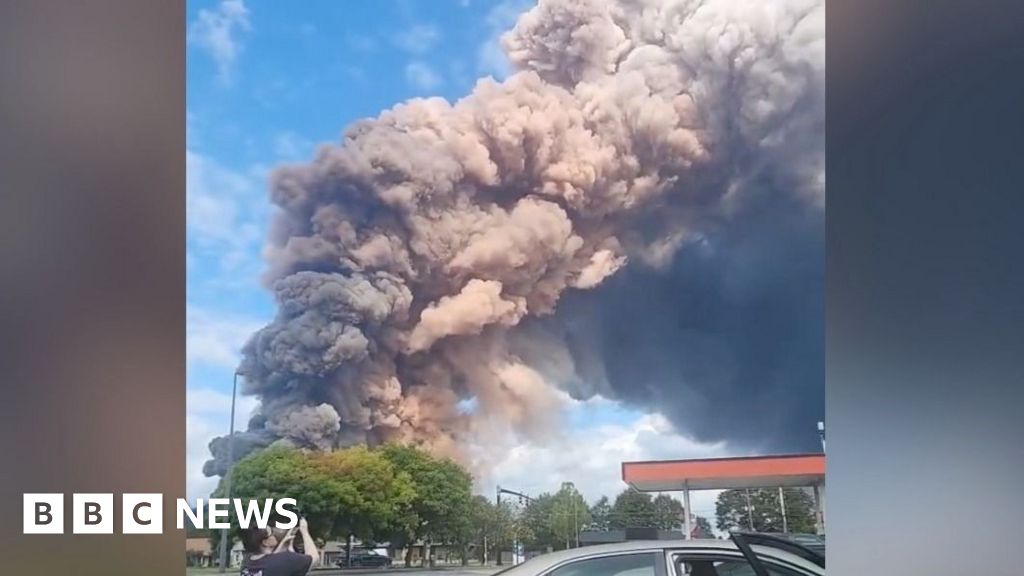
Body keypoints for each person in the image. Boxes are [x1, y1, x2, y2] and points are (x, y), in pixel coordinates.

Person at [239, 517, 319, 576]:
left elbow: (269, 562)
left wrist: (283, 545)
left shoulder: (246, 564)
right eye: (271, 532)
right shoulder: (287, 559)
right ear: (265, 542)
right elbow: (314, 558)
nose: (274, 534)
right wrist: (304, 530)